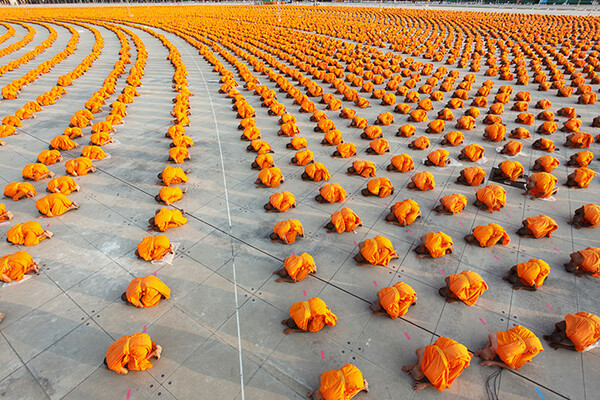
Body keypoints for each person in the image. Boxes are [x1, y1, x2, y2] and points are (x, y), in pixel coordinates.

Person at [402, 336, 472, 391]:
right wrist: (413, 366)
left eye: (410, 371)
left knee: (443, 380)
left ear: (421, 377)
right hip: (453, 347)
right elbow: (419, 352)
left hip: (460, 356)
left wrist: (425, 385)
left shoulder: (433, 375)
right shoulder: (421, 354)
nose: (410, 372)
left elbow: (444, 384)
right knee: (427, 352)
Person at [476, 326, 543, 370]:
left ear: (491, 358)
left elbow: (511, 367)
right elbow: (491, 334)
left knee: (517, 364)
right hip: (525, 333)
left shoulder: (504, 355)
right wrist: (483, 351)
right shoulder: (494, 339)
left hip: (534, 346)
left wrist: (492, 362)